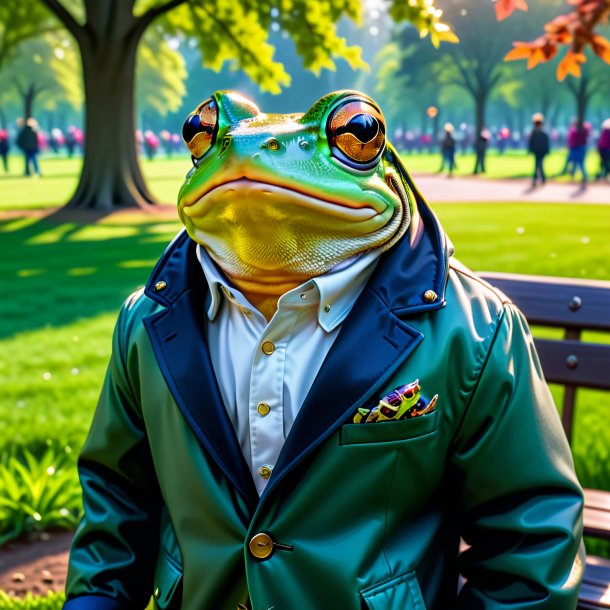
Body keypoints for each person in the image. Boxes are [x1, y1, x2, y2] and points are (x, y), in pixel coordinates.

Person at [63, 91, 584, 610]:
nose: (247, 151)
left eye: (354, 132)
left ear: (389, 176)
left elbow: (529, 533)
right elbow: (117, 496)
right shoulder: (147, 322)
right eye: (205, 133)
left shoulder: (472, 329)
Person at [528, 112, 550, 187]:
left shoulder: (542, 133)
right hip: (537, 151)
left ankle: (537, 178)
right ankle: (539, 178)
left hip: (541, 151)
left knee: (539, 164)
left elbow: (546, 143)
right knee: (538, 164)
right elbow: (531, 143)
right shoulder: (534, 133)